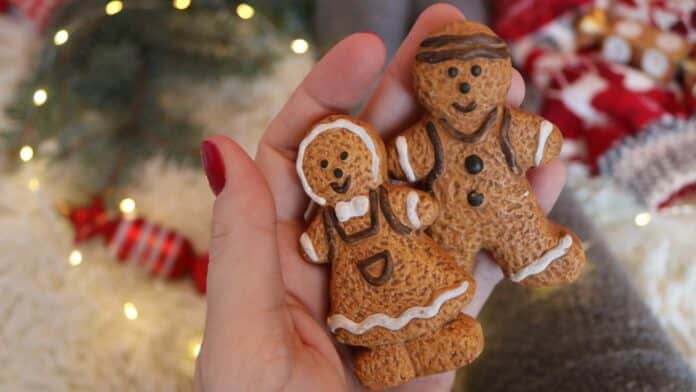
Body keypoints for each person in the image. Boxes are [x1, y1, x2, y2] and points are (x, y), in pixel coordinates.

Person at [194, 4, 566, 391]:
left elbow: (410, 207)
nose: (337, 172)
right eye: (326, 166)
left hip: (452, 244)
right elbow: (319, 245)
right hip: (375, 299)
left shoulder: (388, 195)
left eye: (342, 159)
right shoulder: (347, 211)